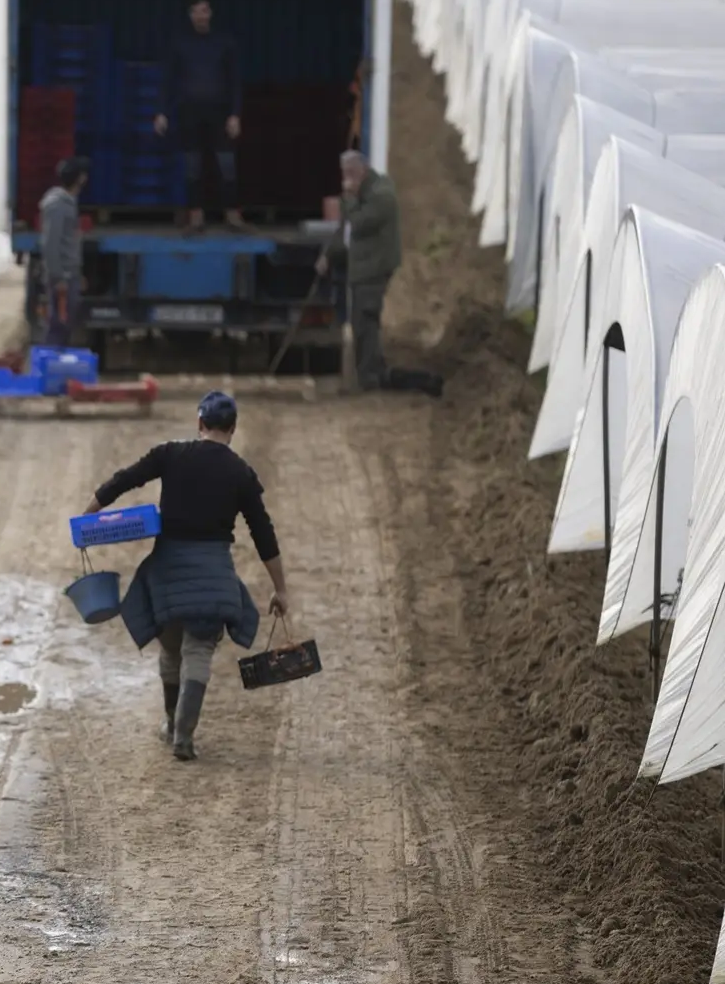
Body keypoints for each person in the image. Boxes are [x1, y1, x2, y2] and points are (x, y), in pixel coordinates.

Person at [83, 392, 288, 760]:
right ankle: (183, 735)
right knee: (199, 650)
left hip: (167, 573)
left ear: (199, 424)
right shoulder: (240, 472)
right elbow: (263, 532)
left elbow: (126, 479)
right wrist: (280, 588)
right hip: (214, 575)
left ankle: (169, 721)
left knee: (172, 650)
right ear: (233, 429)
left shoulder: (171, 454)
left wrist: (91, 511)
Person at [317, 150, 443, 397]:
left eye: (351, 173)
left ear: (362, 170)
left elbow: (360, 224)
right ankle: (368, 373)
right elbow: (346, 231)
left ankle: (372, 375)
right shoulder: (363, 195)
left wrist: (348, 199)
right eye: (344, 174)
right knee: (359, 322)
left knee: (365, 319)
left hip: (374, 269)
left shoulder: (381, 194)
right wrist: (328, 255)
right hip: (363, 268)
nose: (347, 179)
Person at [154, 0, 244, 231]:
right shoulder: (179, 43)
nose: (201, 16)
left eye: (204, 11)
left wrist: (235, 114)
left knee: (227, 164)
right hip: (189, 113)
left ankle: (232, 216)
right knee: (192, 165)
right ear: (190, 15)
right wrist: (162, 112)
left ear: (210, 13)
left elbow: (235, 81)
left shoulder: (225, 42)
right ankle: (196, 217)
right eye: (196, 11)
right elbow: (168, 81)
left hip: (220, 112)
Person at [38, 156, 89, 345]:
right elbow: (51, 244)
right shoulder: (58, 205)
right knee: (58, 327)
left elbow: (68, 243)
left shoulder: (67, 203)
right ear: (80, 178)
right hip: (63, 278)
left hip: (69, 274)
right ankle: (50, 368)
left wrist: (77, 273)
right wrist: (58, 277)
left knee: (65, 326)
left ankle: (56, 369)